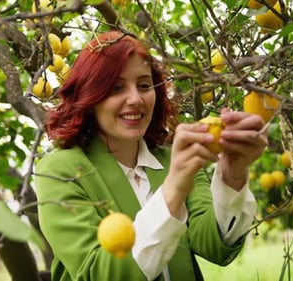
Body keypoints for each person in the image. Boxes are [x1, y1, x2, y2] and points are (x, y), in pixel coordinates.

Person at [35, 30, 268, 281]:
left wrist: (231, 174)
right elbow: (99, 273)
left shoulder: (173, 162)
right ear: (90, 97)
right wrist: (173, 189)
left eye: (145, 85)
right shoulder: (60, 171)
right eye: (116, 87)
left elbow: (216, 247)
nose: (135, 99)